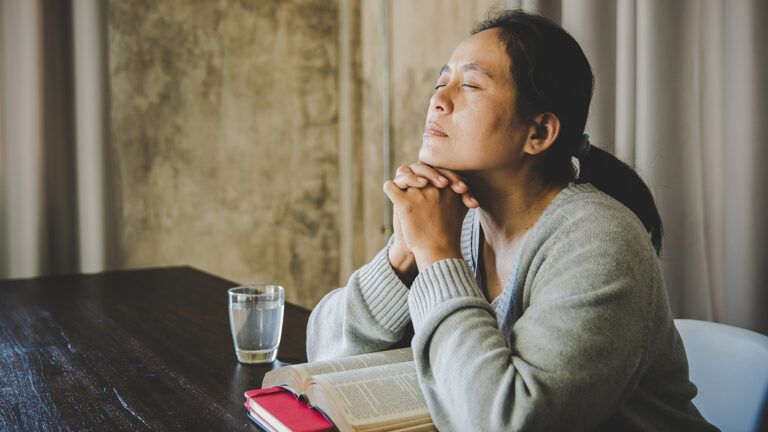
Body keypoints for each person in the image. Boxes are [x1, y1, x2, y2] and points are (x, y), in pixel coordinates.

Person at [306, 9, 716, 431]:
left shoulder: (600, 241)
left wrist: (436, 255)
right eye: (440, 82)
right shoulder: (458, 219)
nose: (439, 100)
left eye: (469, 85)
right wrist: (403, 253)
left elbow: (510, 421)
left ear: (538, 132)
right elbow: (323, 353)